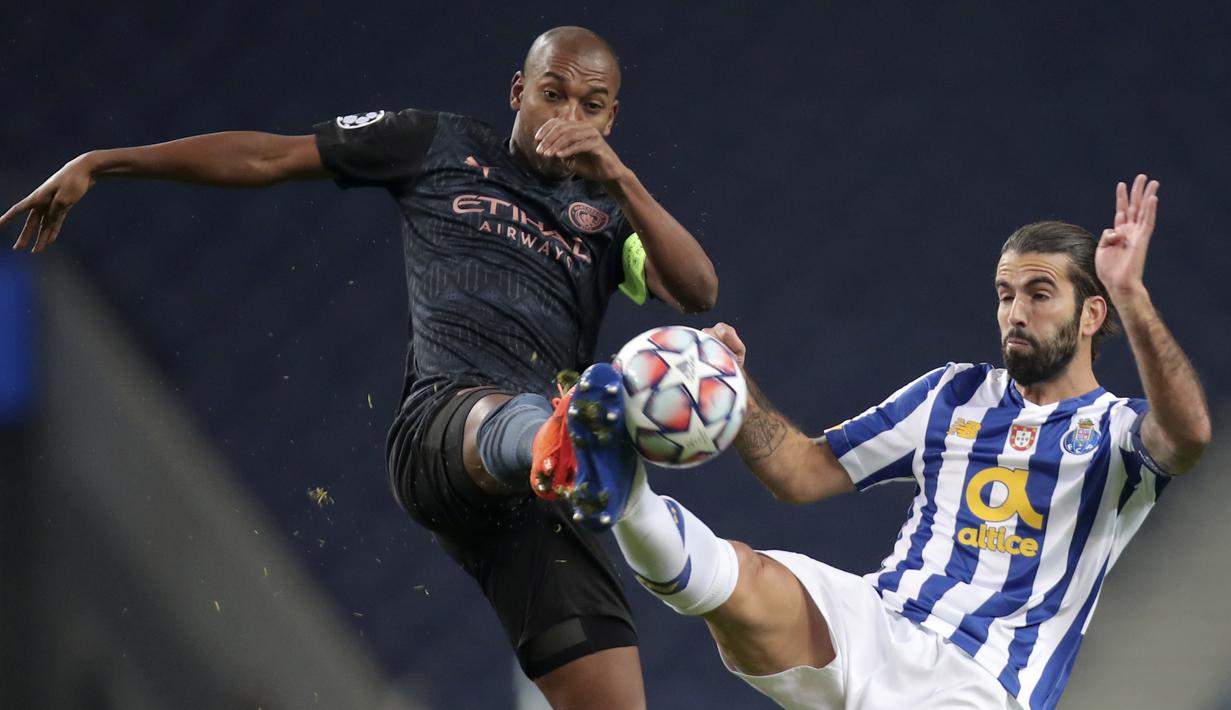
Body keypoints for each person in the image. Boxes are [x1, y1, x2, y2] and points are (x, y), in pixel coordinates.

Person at [2, 26, 717, 709]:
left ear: (612, 118)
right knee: (520, 419)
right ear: (516, 91)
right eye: (551, 93)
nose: (567, 116)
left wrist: (618, 178)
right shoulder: (435, 143)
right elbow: (269, 158)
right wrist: (104, 161)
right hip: (446, 430)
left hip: (540, 495)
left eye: (591, 107)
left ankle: (559, 449)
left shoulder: (606, 218)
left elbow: (696, 290)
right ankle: (557, 442)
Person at [561, 175, 1209, 708]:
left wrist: (1130, 292)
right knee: (744, 581)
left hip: (983, 686)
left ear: (1091, 314)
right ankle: (621, 494)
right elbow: (801, 471)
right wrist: (736, 386)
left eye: (1039, 294)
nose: (1014, 312)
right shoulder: (951, 395)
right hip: (878, 618)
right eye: (1004, 294)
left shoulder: (1118, 432)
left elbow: (1186, 436)